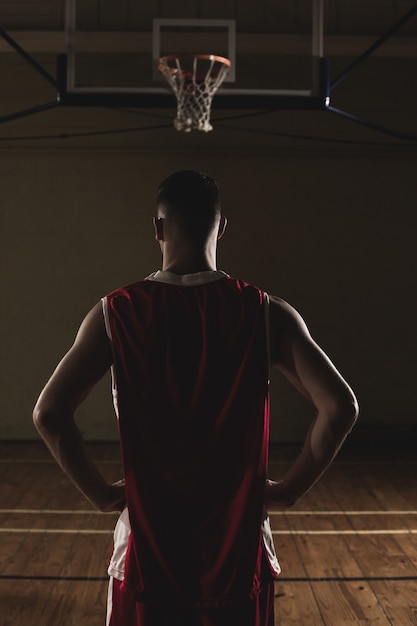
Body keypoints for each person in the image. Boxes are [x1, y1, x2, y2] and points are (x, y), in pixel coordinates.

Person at [33, 170, 358, 626]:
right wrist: (287, 492)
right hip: (239, 545)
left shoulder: (116, 311)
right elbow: (340, 407)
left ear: (158, 228)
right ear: (221, 225)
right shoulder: (265, 312)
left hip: (148, 544)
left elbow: (49, 413)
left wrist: (103, 496)